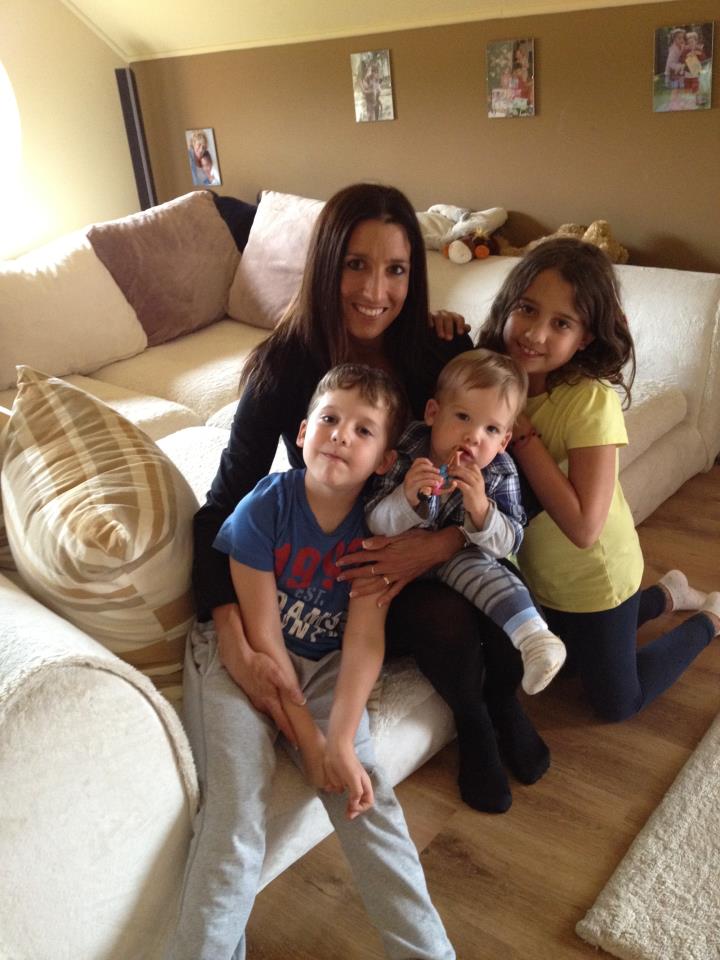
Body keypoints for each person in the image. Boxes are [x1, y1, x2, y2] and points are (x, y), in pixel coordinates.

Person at [189, 185, 549, 949]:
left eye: (395, 270)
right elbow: (222, 506)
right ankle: (474, 718)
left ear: (415, 275)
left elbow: (497, 456)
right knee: (420, 610)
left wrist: (439, 544)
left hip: (423, 545)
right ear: (327, 265)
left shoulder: (436, 350)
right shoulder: (284, 367)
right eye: (356, 265)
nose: (375, 290)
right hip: (341, 565)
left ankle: (497, 709)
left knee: (479, 586)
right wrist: (231, 633)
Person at [179, 362, 454, 960]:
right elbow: (263, 643)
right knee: (235, 817)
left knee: (367, 793)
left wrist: (343, 742)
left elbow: (364, 641)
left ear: (385, 460)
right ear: (303, 432)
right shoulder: (264, 506)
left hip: (325, 663)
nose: (340, 436)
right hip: (243, 658)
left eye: (363, 430)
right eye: (329, 419)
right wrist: (311, 742)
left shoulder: (376, 533)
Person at [477, 236, 720, 723]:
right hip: (542, 576)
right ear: (508, 305)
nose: (534, 334)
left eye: (561, 323)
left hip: (597, 581)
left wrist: (524, 439)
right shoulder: (496, 379)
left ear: (585, 337)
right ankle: (667, 594)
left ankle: (709, 619)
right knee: (563, 671)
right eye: (527, 309)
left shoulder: (589, 399)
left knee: (615, 703)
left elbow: (586, 528)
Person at [366, 348, 566, 696]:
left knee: (486, 569)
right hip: (397, 558)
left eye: (491, 429)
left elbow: (509, 542)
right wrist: (406, 497)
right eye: (462, 417)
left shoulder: (498, 471)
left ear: (504, 441)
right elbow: (373, 521)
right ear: (433, 413)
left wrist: (482, 509)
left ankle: (536, 640)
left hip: (458, 559)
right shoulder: (408, 448)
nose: (474, 436)